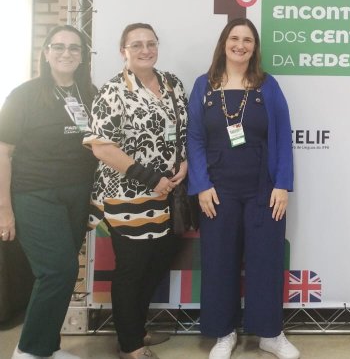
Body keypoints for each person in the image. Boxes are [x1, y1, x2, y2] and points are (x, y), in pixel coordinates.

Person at [187, 18, 299, 359]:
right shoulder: (204, 85)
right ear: (224, 43)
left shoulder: (268, 85)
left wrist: (282, 184)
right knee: (219, 260)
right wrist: (201, 185)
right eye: (234, 38)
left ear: (255, 47)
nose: (240, 45)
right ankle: (224, 333)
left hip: (263, 190)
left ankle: (270, 334)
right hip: (217, 192)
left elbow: (283, 137)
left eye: (247, 40)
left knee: (266, 260)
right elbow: (194, 138)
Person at [84, 23, 187, 359]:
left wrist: (184, 163)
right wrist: (150, 178)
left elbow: (183, 131)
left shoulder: (172, 83)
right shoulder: (112, 90)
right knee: (132, 270)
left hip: (167, 195)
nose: (146, 50)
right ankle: (130, 345)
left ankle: (137, 329)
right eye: (137, 44)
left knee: (156, 264)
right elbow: (101, 147)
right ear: (123, 51)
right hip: (128, 195)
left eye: (151, 43)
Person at [0, 25, 95, 359]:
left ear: (82, 56)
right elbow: (3, 151)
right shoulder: (24, 95)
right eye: (59, 46)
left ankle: (47, 347)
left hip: (76, 194)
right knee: (57, 271)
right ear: (46, 52)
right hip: (34, 193)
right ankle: (27, 351)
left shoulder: (89, 93)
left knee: (63, 272)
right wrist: (4, 208)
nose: (66, 53)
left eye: (74, 48)